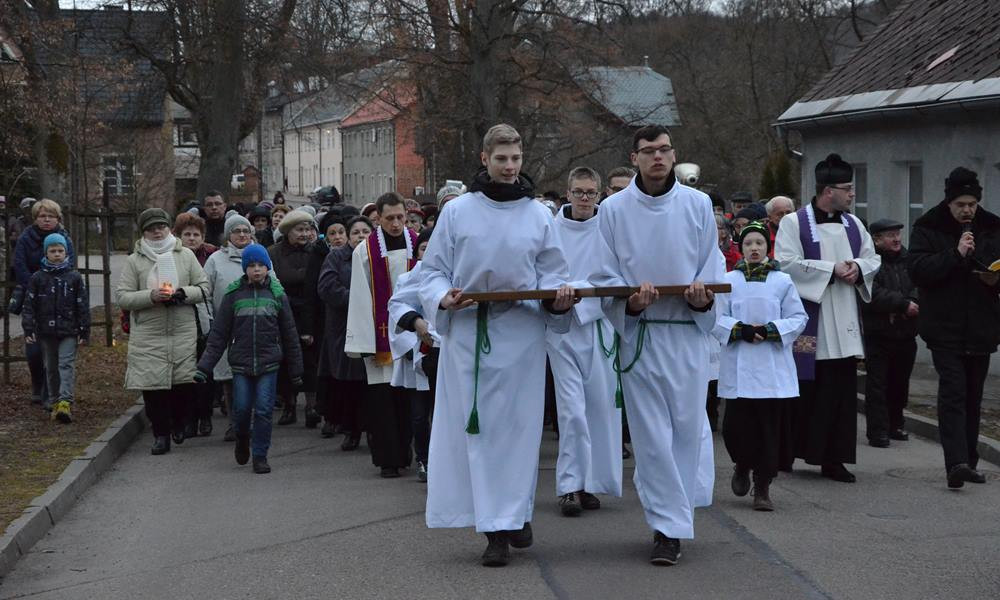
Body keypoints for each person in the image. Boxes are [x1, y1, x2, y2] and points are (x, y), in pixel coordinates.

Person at [419, 124, 574, 567]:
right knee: (480, 433)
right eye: (501, 158)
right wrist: (441, 297)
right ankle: (494, 530)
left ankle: (515, 513)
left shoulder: (539, 214)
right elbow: (433, 272)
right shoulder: (458, 212)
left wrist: (558, 299)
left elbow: (551, 272)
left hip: (522, 334)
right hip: (470, 332)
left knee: (519, 432)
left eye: (516, 158)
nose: (509, 167)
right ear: (484, 159)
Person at [591, 124, 725, 566]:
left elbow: (711, 263)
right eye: (649, 151)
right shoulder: (612, 210)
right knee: (651, 437)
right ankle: (666, 529)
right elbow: (603, 272)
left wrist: (703, 297)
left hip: (685, 332)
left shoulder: (697, 204)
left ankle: (679, 513)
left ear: (673, 154)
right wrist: (628, 304)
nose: (658, 157)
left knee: (687, 430)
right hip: (642, 335)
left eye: (665, 149)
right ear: (634, 158)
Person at [774, 153, 880, 483]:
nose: (852, 194)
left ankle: (834, 459)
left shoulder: (854, 224)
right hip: (811, 320)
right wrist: (830, 269)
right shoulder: (794, 223)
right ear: (827, 190)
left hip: (844, 318)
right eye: (847, 188)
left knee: (841, 396)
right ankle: (787, 452)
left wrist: (858, 268)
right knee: (804, 392)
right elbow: (784, 263)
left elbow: (872, 258)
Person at [909, 167, 1000, 489]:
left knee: (974, 397)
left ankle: (969, 462)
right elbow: (918, 271)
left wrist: (994, 277)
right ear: (949, 202)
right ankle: (956, 463)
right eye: (961, 203)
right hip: (943, 326)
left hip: (982, 325)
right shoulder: (928, 226)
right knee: (953, 394)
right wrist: (955, 254)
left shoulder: (992, 226)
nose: (967, 210)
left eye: (972, 204)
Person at [713, 222, 807, 511]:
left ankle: (763, 485)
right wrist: (738, 329)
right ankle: (742, 463)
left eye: (760, 243)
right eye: (749, 243)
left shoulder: (782, 281)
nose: (754, 248)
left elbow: (798, 317)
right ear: (741, 248)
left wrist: (770, 330)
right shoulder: (728, 279)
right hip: (740, 363)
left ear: (768, 247)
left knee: (768, 429)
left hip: (770, 366)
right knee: (734, 428)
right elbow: (715, 316)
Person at [546, 166, 622, 517]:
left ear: (599, 193)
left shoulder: (608, 227)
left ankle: (592, 482)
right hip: (562, 326)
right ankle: (568, 485)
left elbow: (615, 275)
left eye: (591, 193)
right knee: (572, 410)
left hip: (599, 325)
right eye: (579, 192)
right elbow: (543, 270)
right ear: (568, 192)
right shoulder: (551, 228)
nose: (585, 199)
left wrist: (592, 295)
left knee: (601, 407)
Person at [196, 244, 303, 474]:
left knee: (264, 410)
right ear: (245, 269)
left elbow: (290, 334)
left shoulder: (277, 294)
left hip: (269, 362)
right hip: (241, 363)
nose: (256, 270)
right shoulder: (234, 295)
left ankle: (260, 455)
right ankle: (242, 437)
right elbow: (219, 334)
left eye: (261, 265)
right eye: (251, 266)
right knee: (242, 409)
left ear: (267, 267)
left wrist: (296, 371)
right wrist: (204, 367)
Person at [116, 208, 208, 455]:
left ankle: (179, 423)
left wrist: (182, 294)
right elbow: (123, 297)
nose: (157, 232)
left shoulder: (185, 255)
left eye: (161, 227)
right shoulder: (135, 261)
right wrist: (151, 296)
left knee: (182, 384)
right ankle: (161, 434)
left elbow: (203, 288)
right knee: (153, 387)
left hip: (181, 329)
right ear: (143, 232)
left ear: (169, 228)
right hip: (149, 333)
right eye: (151, 228)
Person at [345, 193, 420, 478]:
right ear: (379, 218)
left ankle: (412, 454)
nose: (397, 223)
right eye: (390, 218)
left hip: (412, 332)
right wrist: (365, 342)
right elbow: (361, 297)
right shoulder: (365, 251)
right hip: (380, 338)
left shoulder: (418, 245)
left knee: (409, 398)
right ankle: (389, 459)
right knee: (383, 400)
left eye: (401, 217)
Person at [13, 198, 76, 408]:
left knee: (56, 348)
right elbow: (19, 264)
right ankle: (38, 384)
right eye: (42, 216)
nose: (46, 219)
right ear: (35, 218)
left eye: (50, 216)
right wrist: (35, 286)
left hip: (59, 299)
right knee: (33, 347)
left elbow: (71, 266)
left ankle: (54, 392)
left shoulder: (65, 238)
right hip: (34, 296)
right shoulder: (26, 238)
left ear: (57, 218)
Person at [387, 226, 438, 482]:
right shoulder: (411, 278)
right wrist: (417, 330)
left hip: (446, 355)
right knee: (419, 416)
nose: (428, 253)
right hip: (419, 356)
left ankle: (442, 459)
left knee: (443, 413)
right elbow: (397, 309)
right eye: (423, 248)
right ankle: (424, 459)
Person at [22, 233, 90, 423]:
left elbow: (82, 304)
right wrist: (29, 328)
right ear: (46, 253)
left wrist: (85, 329)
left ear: (66, 252)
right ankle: (53, 401)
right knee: (50, 367)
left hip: (69, 330)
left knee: (65, 364)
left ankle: (65, 401)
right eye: (53, 251)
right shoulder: (38, 278)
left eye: (60, 251)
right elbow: (30, 305)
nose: (57, 254)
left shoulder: (74, 277)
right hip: (46, 331)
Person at [317, 216, 372, 450]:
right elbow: (327, 288)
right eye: (356, 232)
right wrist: (359, 299)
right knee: (349, 383)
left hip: (373, 328)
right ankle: (351, 431)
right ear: (348, 237)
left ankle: (372, 429)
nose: (361, 236)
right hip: (345, 328)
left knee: (372, 384)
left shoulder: (377, 257)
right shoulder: (336, 257)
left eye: (365, 232)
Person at [862, 218, 919, 448]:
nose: (896, 239)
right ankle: (877, 431)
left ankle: (896, 423)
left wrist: (912, 303)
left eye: (897, 234)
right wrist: (900, 304)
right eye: (890, 235)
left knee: (900, 383)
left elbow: (921, 284)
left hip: (906, 333)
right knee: (877, 385)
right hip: (879, 334)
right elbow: (870, 291)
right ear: (876, 240)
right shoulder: (870, 262)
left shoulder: (910, 260)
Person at [202, 214, 257, 440]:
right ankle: (235, 423)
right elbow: (205, 293)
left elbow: (275, 288)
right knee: (229, 379)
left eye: (245, 230)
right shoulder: (215, 260)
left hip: (254, 328)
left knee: (253, 376)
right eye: (236, 231)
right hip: (226, 329)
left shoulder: (260, 256)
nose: (242, 235)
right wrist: (209, 323)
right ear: (228, 235)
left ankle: (251, 422)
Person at [269, 209, 320, 426]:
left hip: (310, 312)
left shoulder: (316, 253)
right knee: (285, 361)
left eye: (308, 229)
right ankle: (289, 405)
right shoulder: (273, 253)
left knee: (311, 361)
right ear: (288, 232)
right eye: (299, 229)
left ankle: (311, 406)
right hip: (283, 311)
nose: (304, 234)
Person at [173, 212, 218, 437]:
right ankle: (188, 418)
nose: (192, 238)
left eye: (196, 234)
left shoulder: (211, 256)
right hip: (179, 321)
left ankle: (205, 416)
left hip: (204, 320)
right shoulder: (172, 257)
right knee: (184, 375)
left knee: (204, 373)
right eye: (187, 234)